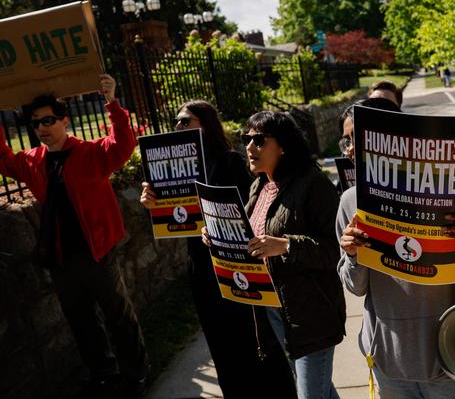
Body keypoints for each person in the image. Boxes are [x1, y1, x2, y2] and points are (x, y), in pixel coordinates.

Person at [0, 75, 148, 397]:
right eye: (36, 123)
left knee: (117, 315)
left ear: (64, 120)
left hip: (97, 251)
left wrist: (112, 102)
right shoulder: (32, 161)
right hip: (60, 257)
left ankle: (135, 374)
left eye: (49, 120)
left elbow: (123, 143)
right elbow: (3, 160)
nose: (42, 128)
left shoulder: (91, 153)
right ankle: (103, 374)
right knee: (81, 321)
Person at [140, 100, 296, 398]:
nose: (178, 126)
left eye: (186, 121)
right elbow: (177, 222)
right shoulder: (173, 168)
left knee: (253, 341)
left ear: (206, 124)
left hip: (236, 265)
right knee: (221, 343)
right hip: (202, 265)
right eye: (177, 121)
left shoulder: (229, 162)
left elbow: (251, 213)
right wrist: (155, 203)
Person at [336, 100, 455, 398]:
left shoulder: (451, 195)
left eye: (358, 138)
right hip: (389, 362)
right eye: (347, 140)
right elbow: (355, 287)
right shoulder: (350, 202)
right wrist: (353, 256)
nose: (351, 148)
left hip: (451, 358)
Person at [202, 111, 345, 399]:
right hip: (274, 310)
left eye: (258, 140)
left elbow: (335, 250)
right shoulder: (259, 185)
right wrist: (218, 237)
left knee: (310, 394)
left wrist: (286, 245)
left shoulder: (313, 184)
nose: (249, 147)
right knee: (319, 389)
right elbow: (251, 240)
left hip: (311, 313)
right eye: (246, 139)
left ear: (283, 146)